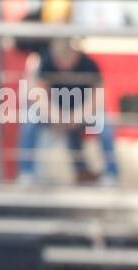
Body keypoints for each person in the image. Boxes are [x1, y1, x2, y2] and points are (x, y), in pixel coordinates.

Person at [16, 37, 119, 186]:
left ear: (75, 53)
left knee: (103, 121)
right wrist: (59, 116)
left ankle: (111, 174)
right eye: (60, 57)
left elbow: (99, 96)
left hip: (83, 114)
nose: (63, 61)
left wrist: (76, 116)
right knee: (30, 117)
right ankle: (26, 173)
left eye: (67, 56)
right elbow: (38, 95)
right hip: (53, 114)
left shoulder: (88, 64)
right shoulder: (47, 62)